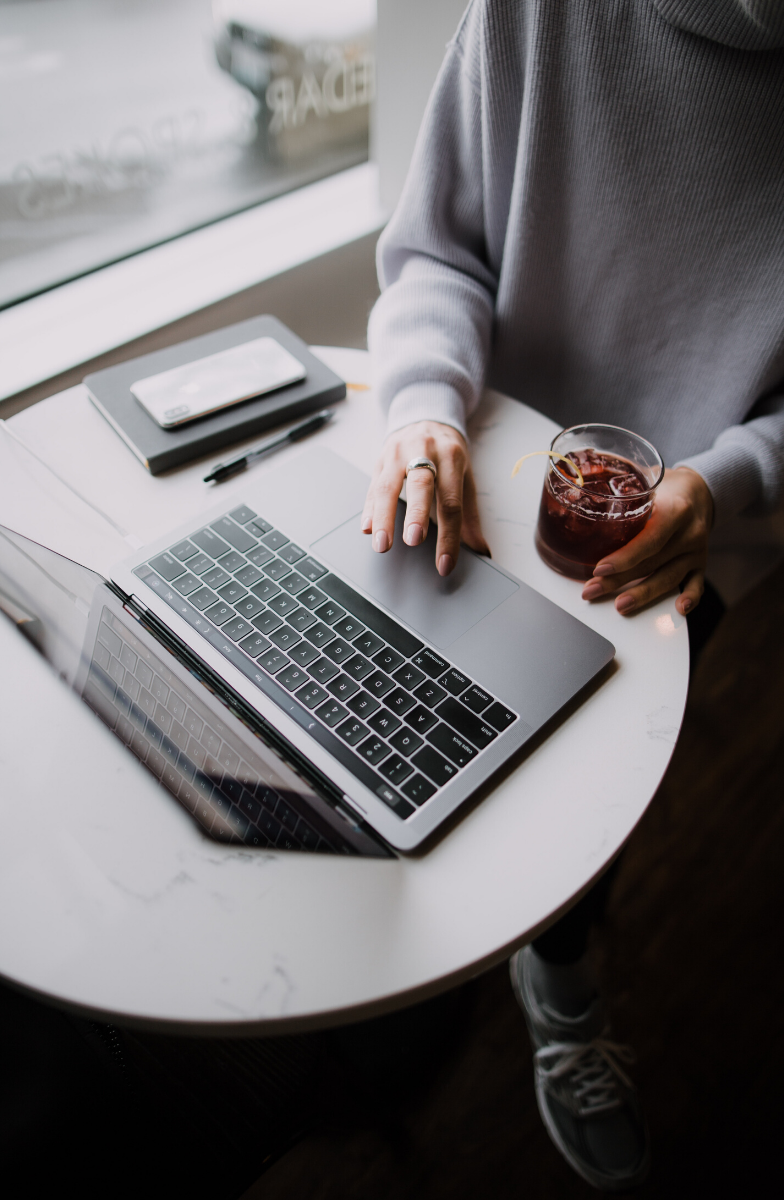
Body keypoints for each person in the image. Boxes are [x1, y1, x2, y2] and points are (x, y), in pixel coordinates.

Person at [365, 0, 784, 1190]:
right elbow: (436, 252)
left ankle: (557, 973)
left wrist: (735, 477)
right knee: (411, 742)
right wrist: (419, 407)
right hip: (483, 482)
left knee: (589, 807)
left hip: (687, 548)